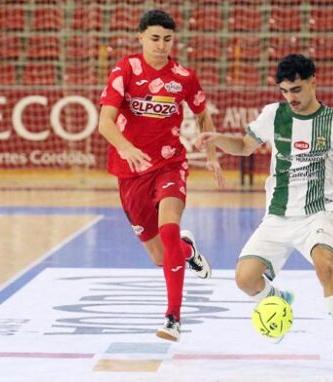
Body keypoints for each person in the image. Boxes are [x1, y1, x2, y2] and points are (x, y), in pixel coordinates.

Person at [194, 54, 333, 375]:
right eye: (284, 90)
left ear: (313, 80)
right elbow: (243, 146)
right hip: (277, 216)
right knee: (244, 279)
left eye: (296, 89)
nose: (291, 97)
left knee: (325, 267)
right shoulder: (273, 115)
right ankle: (279, 297)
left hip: (318, 214)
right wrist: (218, 140)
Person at [98, 9, 225, 342]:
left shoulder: (183, 76)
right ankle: (187, 251)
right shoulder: (124, 70)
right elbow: (105, 122)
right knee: (160, 254)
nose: (161, 45)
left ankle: (173, 318)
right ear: (141, 37)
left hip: (170, 164)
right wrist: (125, 148)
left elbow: (202, 116)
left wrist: (211, 155)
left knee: (168, 229)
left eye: (167, 39)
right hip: (130, 172)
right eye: (154, 38)